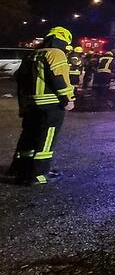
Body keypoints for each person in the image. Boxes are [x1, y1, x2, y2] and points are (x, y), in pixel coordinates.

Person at [7, 27, 76, 185]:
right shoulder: (56, 53)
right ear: (63, 39)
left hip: (31, 105)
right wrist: (68, 100)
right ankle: (38, 174)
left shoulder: (32, 54)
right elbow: (58, 78)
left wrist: (23, 105)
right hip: (51, 106)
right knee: (46, 141)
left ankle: (22, 171)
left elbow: (21, 81)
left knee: (28, 138)